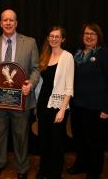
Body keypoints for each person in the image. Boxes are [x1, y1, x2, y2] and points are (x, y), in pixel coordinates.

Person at [0, 9, 40, 179]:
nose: (8, 23)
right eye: (5, 20)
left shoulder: (30, 42)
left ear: (16, 23)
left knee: (21, 136)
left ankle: (22, 168)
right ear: (0, 23)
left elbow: (36, 69)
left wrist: (30, 84)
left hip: (21, 100)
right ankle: (0, 163)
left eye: (11, 20)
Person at [68, 22, 108, 179]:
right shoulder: (77, 55)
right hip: (77, 106)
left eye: (92, 34)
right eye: (86, 33)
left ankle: (94, 170)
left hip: (96, 108)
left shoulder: (105, 54)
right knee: (80, 139)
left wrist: (107, 109)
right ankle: (81, 164)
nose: (88, 36)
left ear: (98, 36)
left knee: (95, 143)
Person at [35, 26, 74, 179]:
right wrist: (37, 107)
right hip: (43, 104)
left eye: (57, 36)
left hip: (58, 106)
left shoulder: (67, 57)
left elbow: (69, 88)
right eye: (51, 36)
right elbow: (40, 84)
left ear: (62, 39)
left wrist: (63, 110)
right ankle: (43, 170)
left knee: (56, 143)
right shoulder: (45, 56)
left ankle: (54, 173)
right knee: (43, 140)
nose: (54, 39)